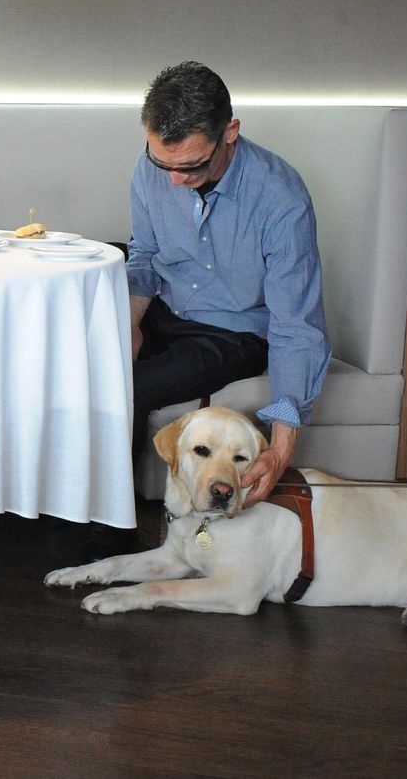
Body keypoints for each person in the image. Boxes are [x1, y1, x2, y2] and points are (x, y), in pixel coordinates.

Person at [127, 61, 330, 504]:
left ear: (230, 132)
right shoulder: (154, 169)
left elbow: (297, 326)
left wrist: (279, 449)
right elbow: (143, 252)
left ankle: (106, 531)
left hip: (233, 332)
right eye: (163, 163)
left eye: (192, 166)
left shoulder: (282, 199)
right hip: (167, 304)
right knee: (85, 351)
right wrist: (131, 322)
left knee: (127, 386)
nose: (175, 180)